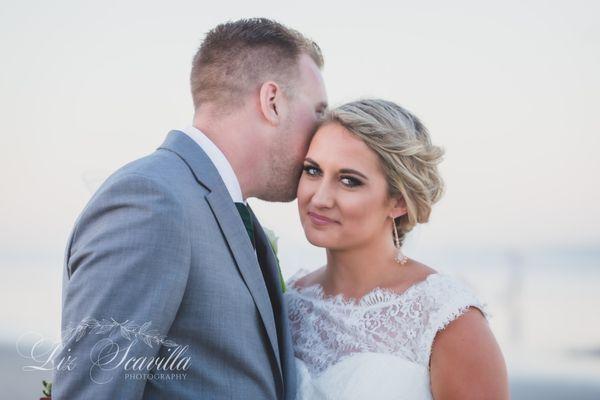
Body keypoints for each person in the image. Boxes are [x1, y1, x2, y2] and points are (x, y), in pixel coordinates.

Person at [53, 18, 327, 399]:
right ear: (273, 101)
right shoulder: (152, 200)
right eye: (317, 111)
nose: (322, 132)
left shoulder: (224, 210)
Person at [285, 99, 509, 399]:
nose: (320, 197)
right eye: (312, 171)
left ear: (399, 201)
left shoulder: (447, 319)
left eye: (349, 181)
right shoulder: (289, 305)